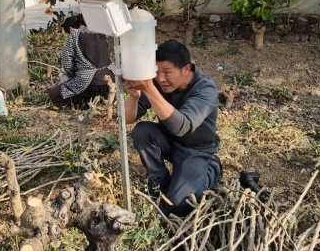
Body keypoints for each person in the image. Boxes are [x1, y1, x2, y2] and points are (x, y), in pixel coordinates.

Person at [125, 40, 222, 217]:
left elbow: (183, 126)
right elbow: (127, 118)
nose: (160, 78)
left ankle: (211, 169)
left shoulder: (205, 89)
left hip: (196, 150)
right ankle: (159, 181)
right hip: (170, 140)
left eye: (167, 72)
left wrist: (149, 89)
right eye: (156, 72)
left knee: (178, 205)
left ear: (186, 69)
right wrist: (134, 96)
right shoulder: (159, 83)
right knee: (142, 131)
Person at [49, 14, 115, 107]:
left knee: (54, 94)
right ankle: (101, 97)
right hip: (110, 79)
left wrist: (68, 75)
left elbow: (67, 64)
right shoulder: (101, 33)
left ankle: (87, 101)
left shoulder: (75, 34)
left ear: (72, 28)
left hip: (89, 80)